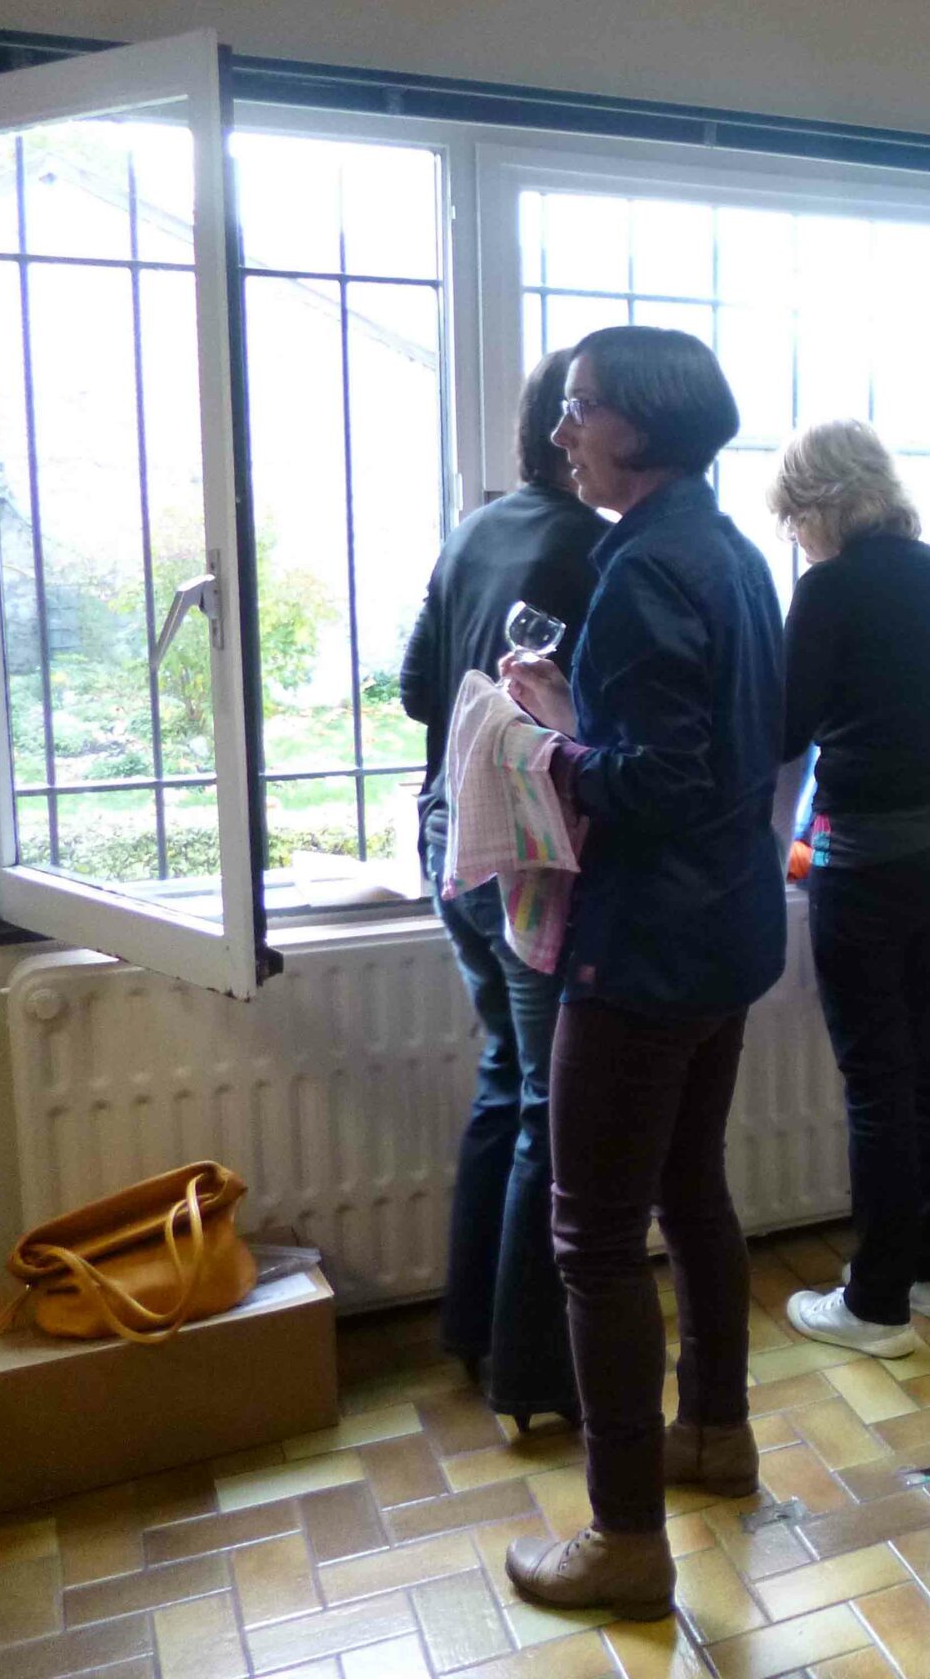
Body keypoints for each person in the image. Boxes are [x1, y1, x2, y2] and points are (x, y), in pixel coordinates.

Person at [497, 327, 787, 1621]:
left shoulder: (645, 568)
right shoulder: (727, 551)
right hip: (725, 931)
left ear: (646, 424)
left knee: (594, 1241)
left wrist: (548, 748)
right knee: (692, 1191)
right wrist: (585, 721)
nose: (563, 433)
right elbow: (719, 753)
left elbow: (661, 782)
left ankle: (625, 1541)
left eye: (581, 409)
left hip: (645, 949)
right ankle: (714, 1434)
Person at [766, 418, 930, 1359]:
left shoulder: (827, 589)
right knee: (928, 1055)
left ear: (815, 505)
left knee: (876, 1080)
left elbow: (786, 729)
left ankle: (874, 1305)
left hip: (870, 861)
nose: (795, 537)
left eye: (793, 518)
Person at [399, 353, 605, 1427]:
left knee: (505, 1083)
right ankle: (529, 1374)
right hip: (522, 858)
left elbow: (413, 692)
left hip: (449, 843)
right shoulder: (594, 548)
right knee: (547, 1108)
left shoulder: (470, 532)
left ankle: (472, 1328)